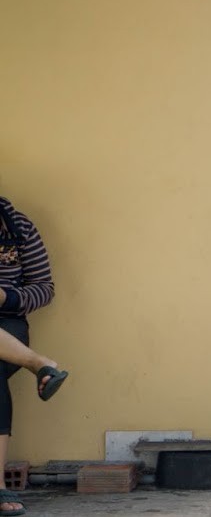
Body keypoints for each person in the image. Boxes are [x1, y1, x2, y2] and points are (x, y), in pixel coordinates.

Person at [0, 197, 67, 517]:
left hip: (7, 324)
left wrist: (7, 296)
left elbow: (44, 287)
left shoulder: (19, 226)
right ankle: (39, 363)